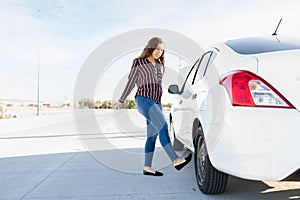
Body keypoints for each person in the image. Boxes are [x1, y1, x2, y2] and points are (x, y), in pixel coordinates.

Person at [115, 37, 192, 176]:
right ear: (151, 47)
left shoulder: (159, 65)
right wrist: (121, 99)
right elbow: (131, 82)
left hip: (156, 103)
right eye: (158, 48)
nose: (160, 52)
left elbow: (158, 88)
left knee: (152, 137)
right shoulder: (138, 62)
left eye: (162, 50)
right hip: (144, 100)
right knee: (163, 127)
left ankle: (147, 167)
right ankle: (175, 160)